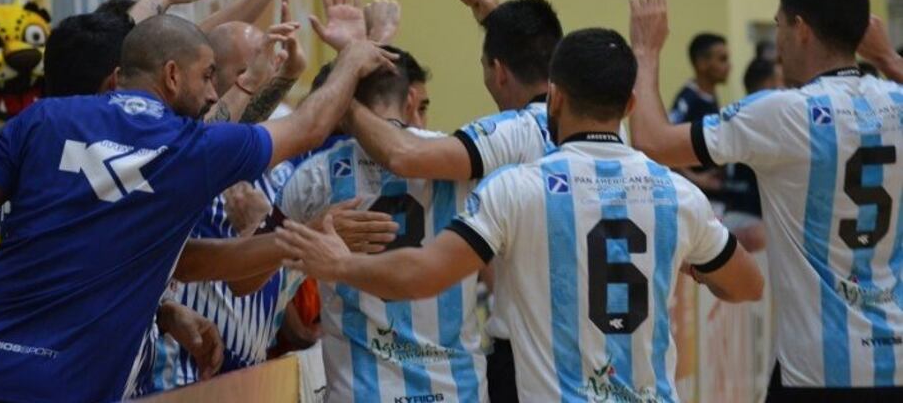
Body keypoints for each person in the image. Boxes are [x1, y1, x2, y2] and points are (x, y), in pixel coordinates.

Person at [0, 14, 394, 402]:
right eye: (208, 76)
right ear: (172, 75)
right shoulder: (189, 149)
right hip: (58, 389)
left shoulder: (44, 118)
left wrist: (167, 310)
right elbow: (310, 126)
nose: (213, 93)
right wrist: (350, 61)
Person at [277, 28, 764, 401]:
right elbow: (747, 286)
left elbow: (423, 274)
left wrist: (339, 265)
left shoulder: (516, 188)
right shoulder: (677, 195)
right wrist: (698, 266)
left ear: (555, 96)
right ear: (631, 104)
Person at [628, 0, 903, 399]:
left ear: (802, 29)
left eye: (779, 25)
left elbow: (651, 141)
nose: (777, 43)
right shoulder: (897, 101)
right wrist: (889, 60)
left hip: (820, 370)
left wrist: (645, 51)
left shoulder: (783, 113)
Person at [344, 0, 562, 402]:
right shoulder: (607, 127)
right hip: (597, 353)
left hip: (526, 362)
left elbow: (403, 154)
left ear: (498, 71)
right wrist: (502, 28)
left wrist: (341, 93)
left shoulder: (509, 132)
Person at [279, 47, 487, 402]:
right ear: (411, 99)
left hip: (360, 392)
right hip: (458, 391)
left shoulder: (314, 176)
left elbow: (262, 283)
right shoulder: (462, 162)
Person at [720, 57, 781, 252]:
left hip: (732, 218)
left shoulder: (735, 113)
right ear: (769, 84)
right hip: (753, 225)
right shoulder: (767, 119)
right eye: (783, 81)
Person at [668, 32, 730, 206]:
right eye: (722, 59)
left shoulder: (711, 96)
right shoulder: (687, 99)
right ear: (702, 63)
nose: (729, 66)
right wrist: (696, 178)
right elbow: (666, 146)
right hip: (693, 195)